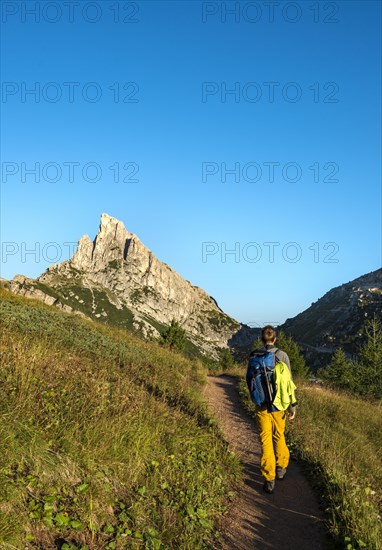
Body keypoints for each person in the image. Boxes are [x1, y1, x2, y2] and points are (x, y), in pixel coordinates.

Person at [247, 325, 297, 494]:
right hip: (279, 406)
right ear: (274, 339)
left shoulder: (255, 355)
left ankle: (269, 478)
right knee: (279, 435)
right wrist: (293, 406)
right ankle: (281, 467)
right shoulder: (282, 355)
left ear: (262, 340)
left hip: (261, 405)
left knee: (265, 440)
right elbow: (289, 383)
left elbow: (249, 380)